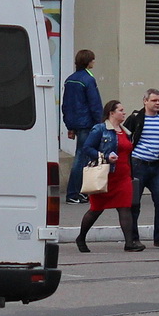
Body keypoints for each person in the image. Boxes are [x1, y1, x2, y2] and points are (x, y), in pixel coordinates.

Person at [74, 100, 146, 253]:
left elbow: (127, 152)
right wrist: (104, 155)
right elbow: (87, 147)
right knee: (96, 209)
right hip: (105, 176)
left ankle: (129, 243)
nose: (123, 113)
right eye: (120, 110)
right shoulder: (100, 129)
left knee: (125, 207)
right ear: (111, 113)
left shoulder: (124, 131)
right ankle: (81, 237)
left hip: (123, 176)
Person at [125, 88, 159, 248]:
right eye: (154, 100)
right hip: (138, 165)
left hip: (157, 167)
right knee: (134, 203)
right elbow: (124, 138)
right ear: (145, 101)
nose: (157, 103)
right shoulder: (136, 119)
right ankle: (133, 238)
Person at [61, 49, 103, 204]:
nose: (94, 62)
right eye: (93, 59)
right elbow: (95, 104)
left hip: (76, 123)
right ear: (89, 61)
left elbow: (66, 105)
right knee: (81, 157)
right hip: (87, 123)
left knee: (83, 157)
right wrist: (100, 123)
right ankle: (73, 193)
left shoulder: (70, 79)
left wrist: (69, 126)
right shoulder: (88, 79)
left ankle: (80, 192)